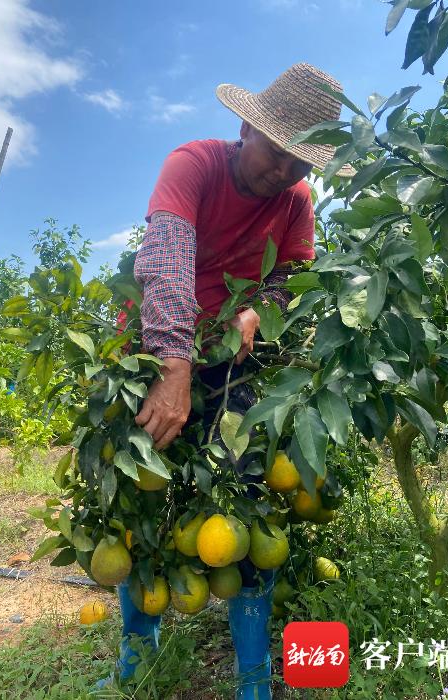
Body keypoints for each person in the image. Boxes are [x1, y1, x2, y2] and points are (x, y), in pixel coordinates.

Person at [110, 63, 352, 699]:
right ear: (245, 128)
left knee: (244, 494)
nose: (283, 174)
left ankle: (252, 673)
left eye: (298, 166)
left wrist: (257, 308)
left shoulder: (295, 202)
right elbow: (164, 263)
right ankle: (138, 649)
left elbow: (293, 278)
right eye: (276, 155)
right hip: (153, 345)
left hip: (232, 357)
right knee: (143, 495)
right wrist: (172, 368)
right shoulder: (194, 165)